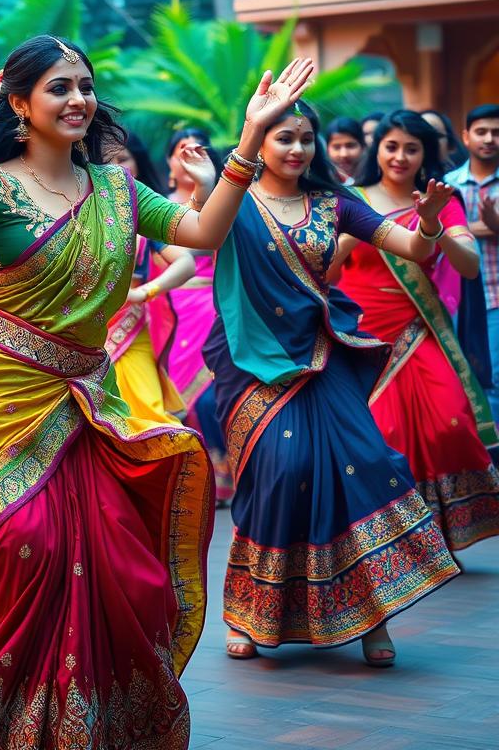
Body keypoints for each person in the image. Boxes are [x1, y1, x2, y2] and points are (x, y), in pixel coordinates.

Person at [0, 36, 314, 748]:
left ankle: (89, 720)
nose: (79, 99)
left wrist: (247, 142)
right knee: (19, 544)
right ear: (18, 103)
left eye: (86, 86)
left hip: (89, 398)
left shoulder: (118, 191)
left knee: (115, 557)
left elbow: (205, 232)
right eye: (60, 87)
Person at [206, 99, 461, 668]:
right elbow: (201, 229)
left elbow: (415, 250)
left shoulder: (335, 204)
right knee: (282, 473)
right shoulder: (234, 201)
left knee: (367, 464)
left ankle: (372, 616)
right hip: (254, 363)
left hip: (324, 354)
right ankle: (250, 612)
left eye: (305, 138)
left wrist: (430, 219)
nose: (297, 149)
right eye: (284, 138)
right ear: (259, 143)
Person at [331, 110, 499, 553]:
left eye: (412, 148)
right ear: (377, 150)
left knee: (450, 423)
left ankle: (440, 532)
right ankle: (399, 540)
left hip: (417, 328)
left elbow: (468, 265)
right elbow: (323, 271)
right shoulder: (350, 199)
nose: (400, 156)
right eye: (392, 146)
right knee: (385, 436)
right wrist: (349, 237)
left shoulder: (439, 199)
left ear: (426, 154)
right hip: (362, 335)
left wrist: (432, 224)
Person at [105, 132, 196, 427]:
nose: (115, 169)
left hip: (130, 331)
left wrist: (144, 293)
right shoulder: (75, 213)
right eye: (104, 162)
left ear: (138, 164)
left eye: (122, 160)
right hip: (77, 333)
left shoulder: (142, 216)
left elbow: (185, 262)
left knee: (151, 419)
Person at [163, 128, 232, 501]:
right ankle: (188, 481)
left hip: (212, 302)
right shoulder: (154, 203)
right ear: (170, 162)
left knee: (211, 394)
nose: (189, 156)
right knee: (175, 396)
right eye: (181, 150)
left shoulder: (225, 202)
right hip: (167, 306)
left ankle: (222, 476)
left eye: (198, 150)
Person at [446, 105, 499, 424]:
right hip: (455, 300)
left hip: (495, 298)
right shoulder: (447, 184)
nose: (489, 139)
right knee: (460, 379)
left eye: (496, 133)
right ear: (466, 137)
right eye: (481, 132)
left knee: (493, 380)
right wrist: (489, 226)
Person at [324, 116, 364, 184]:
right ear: (327, 149)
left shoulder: (376, 180)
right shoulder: (320, 182)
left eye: (350, 146)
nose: (344, 154)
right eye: (336, 147)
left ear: (363, 146)